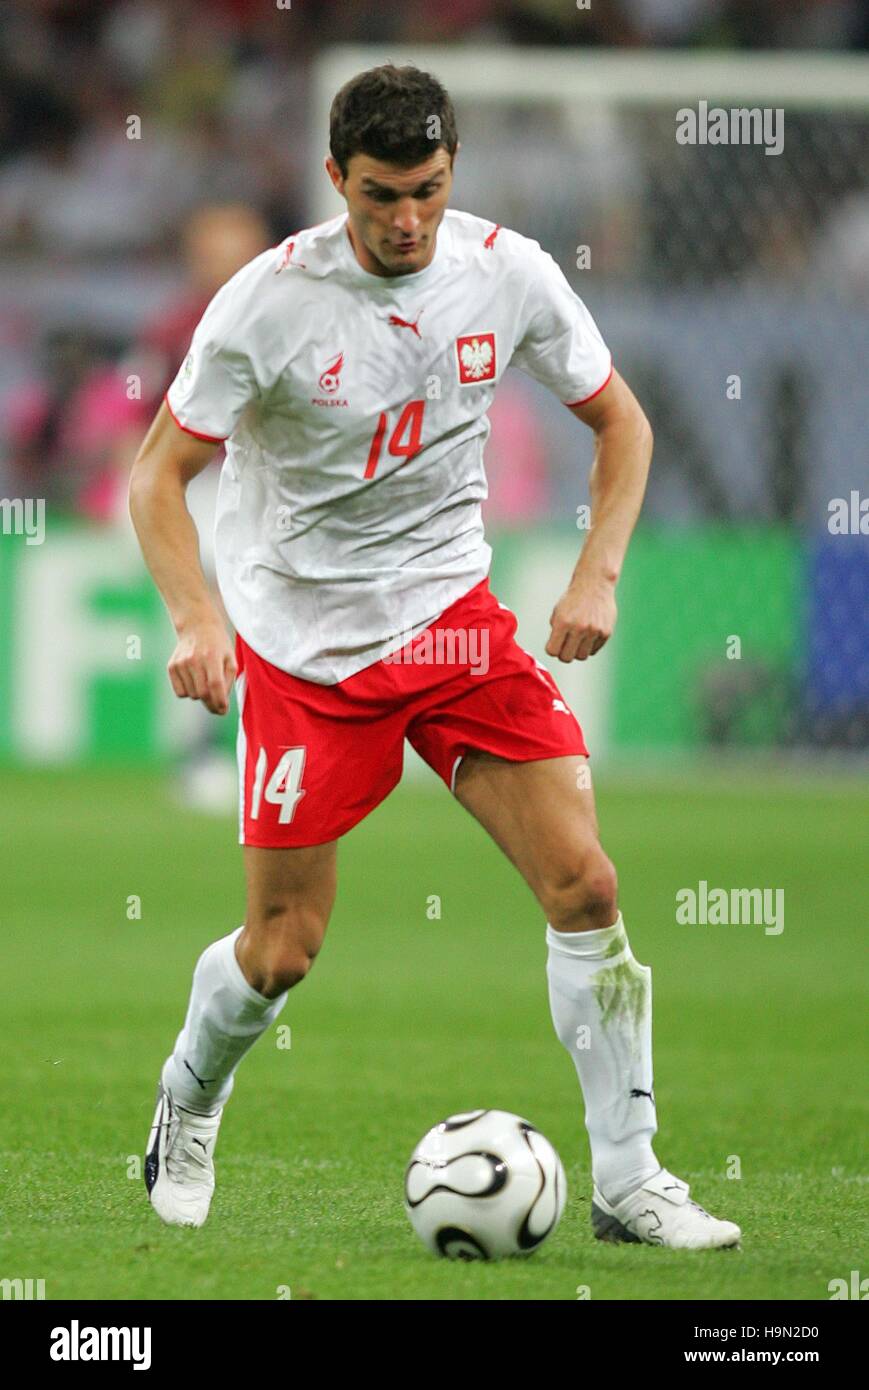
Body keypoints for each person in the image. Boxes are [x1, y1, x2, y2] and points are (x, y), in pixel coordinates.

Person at [129, 64, 740, 1250]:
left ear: (452, 171)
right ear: (332, 181)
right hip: (306, 650)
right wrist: (197, 617)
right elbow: (158, 472)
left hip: (455, 626)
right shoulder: (265, 302)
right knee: (281, 950)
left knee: (587, 886)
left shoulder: (507, 273)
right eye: (377, 196)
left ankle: (627, 1178)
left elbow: (620, 419)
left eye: (426, 190)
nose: (405, 220)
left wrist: (595, 571)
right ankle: (189, 1097)